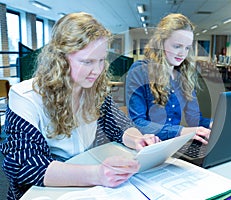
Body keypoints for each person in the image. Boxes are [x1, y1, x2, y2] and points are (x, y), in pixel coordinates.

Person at [0, 12, 160, 200]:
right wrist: (97, 175)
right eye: (87, 62)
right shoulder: (26, 97)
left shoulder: (93, 87)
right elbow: (25, 166)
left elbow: (119, 125)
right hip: (42, 191)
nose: (98, 70)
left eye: (101, 61)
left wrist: (138, 140)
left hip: (85, 185)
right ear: (60, 60)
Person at [126, 13, 212, 143]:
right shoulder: (140, 71)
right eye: (177, 46)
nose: (182, 53)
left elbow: (194, 118)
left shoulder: (184, 74)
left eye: (187, 48)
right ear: (160, 43)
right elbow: (137, 122)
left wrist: (212, 124)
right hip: (149, 145)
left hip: (174, 143)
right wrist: (180, 131)